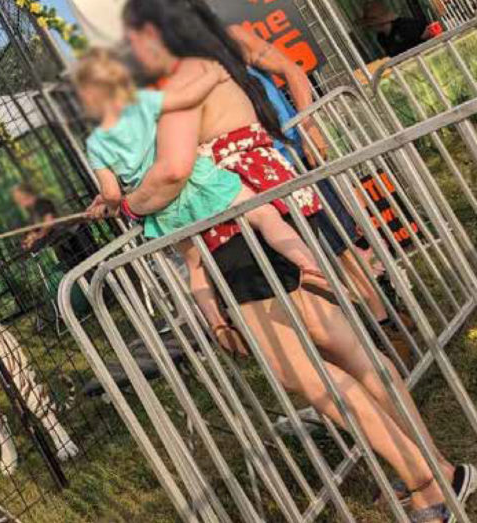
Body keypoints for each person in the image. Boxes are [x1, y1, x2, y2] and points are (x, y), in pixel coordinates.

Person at [115, 1, 474, 520]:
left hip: (241, 229)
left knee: (307, 377)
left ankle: (429, 481)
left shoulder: (180, 80)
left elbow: (171, 172)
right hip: (278, 207)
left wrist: (130, 207)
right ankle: (437, 470)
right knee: (349, 357)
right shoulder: (212, 61)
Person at [76, 48, 330, 334]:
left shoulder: (95, 144)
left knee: (194, 264)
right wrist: (212, 78)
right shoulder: (146, 103)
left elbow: (111, 193)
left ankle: (217, 324)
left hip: (163, 209)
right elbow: (188, 98)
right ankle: (310, 268)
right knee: (264, 215)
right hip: (198, 182)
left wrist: (113, 203)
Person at [228, 24, 408, 365]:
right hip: (255, 184)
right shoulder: (182, 71)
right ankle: (357, 341)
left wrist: (308, 126)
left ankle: (387, 326)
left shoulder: (232, 37)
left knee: (341, 244)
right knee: (306, 264)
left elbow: (293, 71)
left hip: (292, 157)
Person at [11, 183, 95, 270]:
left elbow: (49, 222)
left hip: (75, 233)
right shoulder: (33, 213)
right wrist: (31, 239)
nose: (17, 201)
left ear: (25, 194)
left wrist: (39, 235)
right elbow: (36, 230)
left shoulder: (40, 203)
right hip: (63, 241)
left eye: (17, 197)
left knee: (92, 261)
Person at [360, 1, 435, 58]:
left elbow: (426, 38)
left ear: (379, 23)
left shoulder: (406, 26)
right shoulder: (381, 38)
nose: (369, 28)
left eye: (370, 25)